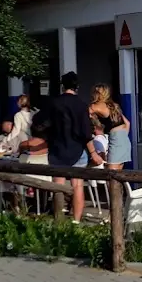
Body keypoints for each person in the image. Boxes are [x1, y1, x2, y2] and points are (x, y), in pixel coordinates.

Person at [32, 71, 103, 223]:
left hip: (57, 149)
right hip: (78, 149)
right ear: (77, 87)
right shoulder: (81, 105)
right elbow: (86, 133)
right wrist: (93, 153)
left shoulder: (53, 103)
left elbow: (38, 122)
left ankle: (59, 220)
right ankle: (76, 221)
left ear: (62, 86)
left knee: (58, 185)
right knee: (77, 185)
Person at [88, 84, 132, 170]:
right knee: (119, 174)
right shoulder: (113, 106)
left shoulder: (94, 106)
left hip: (115, 140)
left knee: (111, 174)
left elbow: (82, 116)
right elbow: (127, 123)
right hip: (124, 140)